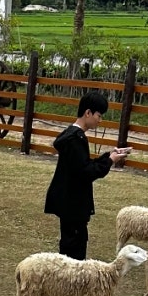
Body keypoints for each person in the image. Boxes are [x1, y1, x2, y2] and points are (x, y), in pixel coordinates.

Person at [44, 92, 131, 272]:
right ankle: (66, 285)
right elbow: (86, 172)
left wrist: (109, 156)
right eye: (99, 115)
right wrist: (110, 161)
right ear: (88, 113)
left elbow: (82, 165)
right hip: (73, 203)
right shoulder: (75, 139)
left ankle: (64, 284)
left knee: (71, 245)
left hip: (69, 201)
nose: (100, 120)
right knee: (74, 250)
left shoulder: (72, 135)